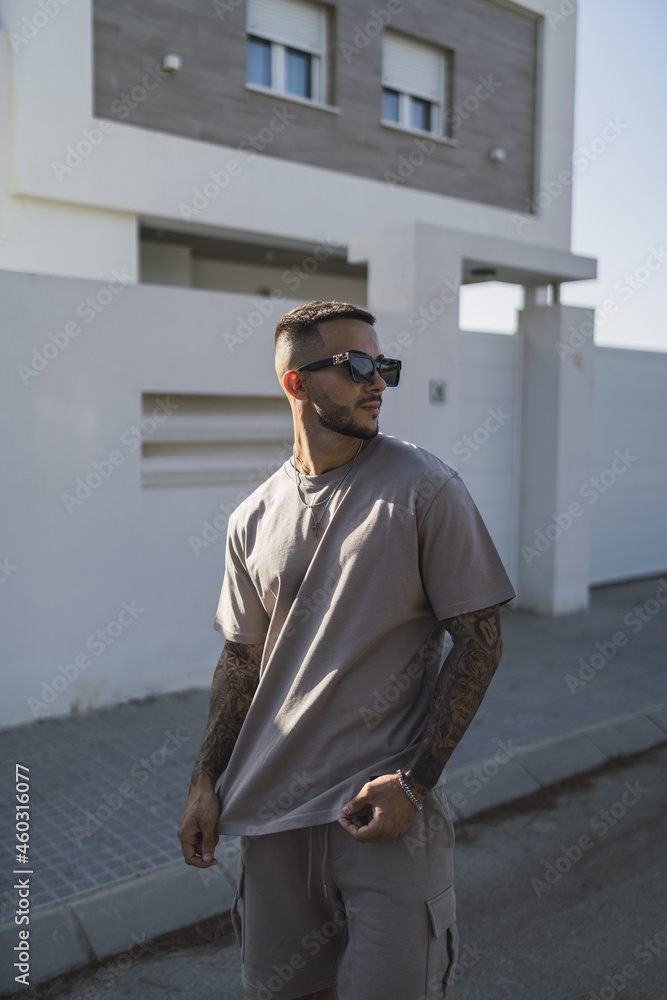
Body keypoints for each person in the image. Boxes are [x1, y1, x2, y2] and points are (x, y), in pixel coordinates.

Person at [178, 300, 516, 1000]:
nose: (377, 382)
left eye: (382, 365)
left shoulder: (426, 489)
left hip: (384, 816)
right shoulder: (252, 517)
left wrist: (413, 783)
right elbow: (241, 660)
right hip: (270, 814)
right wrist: (205, 781)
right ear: (295, 383)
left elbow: (480, 644)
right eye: (357, 365)